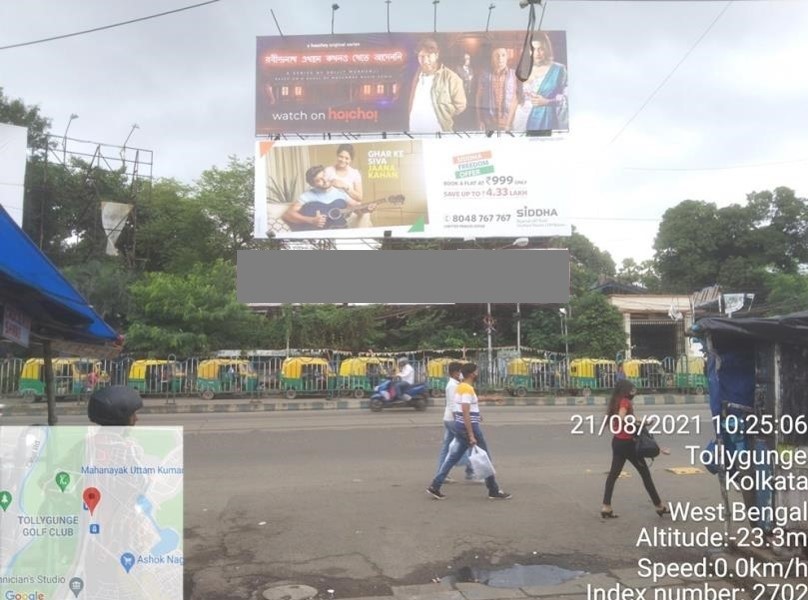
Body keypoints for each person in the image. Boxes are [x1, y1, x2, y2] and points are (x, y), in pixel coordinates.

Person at [427, 363, 512, 500]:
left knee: (453, 457)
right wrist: (471, 434)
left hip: (462, 426)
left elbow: (458, 410)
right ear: (472, 374)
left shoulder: (461, 387)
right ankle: (493, 490)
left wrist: (475, 414)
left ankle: (435, 486)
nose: (478, 374)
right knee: (485, 457)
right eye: (476, 372)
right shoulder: (466, 389)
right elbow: (465, 410)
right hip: (471, 428)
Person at [601, 380, 669, 518]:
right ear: (625, 390)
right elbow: (622, 417)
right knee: (645, 475)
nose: (634, 392)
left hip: (618, 442)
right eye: (632, 390)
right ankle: (659, 506)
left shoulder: (616, 400)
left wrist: (641, 421)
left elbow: (625, 417)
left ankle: (606, 507)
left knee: (613, 475)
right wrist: (640, 422)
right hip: (628, 443)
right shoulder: (625, 401)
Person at [511, 32, 568, 132]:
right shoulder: (523, 69)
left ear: (546, 49)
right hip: (521, 120)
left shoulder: (559, 69)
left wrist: (547, 101)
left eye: (540, 49)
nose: (537, 53)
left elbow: (566, 97)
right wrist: (508, 124)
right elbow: (516, 97)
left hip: (544, 120)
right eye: (533, 49)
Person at [408, 38, 467, 133]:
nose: (425, 60)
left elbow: (460, 105)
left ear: (436, 55)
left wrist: (444, 112)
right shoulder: (417, 74)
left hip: (438, 132)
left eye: (429, 56)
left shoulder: (451, 77)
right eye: (422, 56)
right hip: (415, 129)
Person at [282, 165, 364, 230]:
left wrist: (367, 209)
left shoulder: (339, 192)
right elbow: (287, 215)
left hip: (340, 232)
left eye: (324, 175)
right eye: (318, 180)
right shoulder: (307, 196)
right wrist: (311, 220)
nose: (325, 180)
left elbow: (357, 209)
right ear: (313, 184)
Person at [436, 362, 475, 483]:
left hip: (448, 419)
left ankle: (441, 474)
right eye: (460, 372)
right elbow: (454, 406)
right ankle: (470, 471)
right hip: (453, 420)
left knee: (446, 447)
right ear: (454, 373)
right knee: (468, 443)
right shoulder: (453, 386)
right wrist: (460, 422)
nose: (461, 374)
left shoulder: (454, 384)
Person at [323, 144, 372, 229]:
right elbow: (321, 192)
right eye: (341, 156)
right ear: (337, 155)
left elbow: (359, 197)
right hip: (335, 210)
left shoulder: (354, 173)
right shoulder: (328, 171)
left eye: (347, 158)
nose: (343, 160)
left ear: (351, 160)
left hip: (352, 210)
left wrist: (344, 186)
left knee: (365, 214)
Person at [476, 47, 519, 132]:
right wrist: (479, 120)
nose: (500, 58)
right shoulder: (484, 75)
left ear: (507, 58)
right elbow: (478, 98)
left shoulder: (514, 75)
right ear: (492, 59)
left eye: (503, 55)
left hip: (508, 122)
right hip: (489, 122)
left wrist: (509, 123)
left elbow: (515, 99)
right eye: (497, 55)